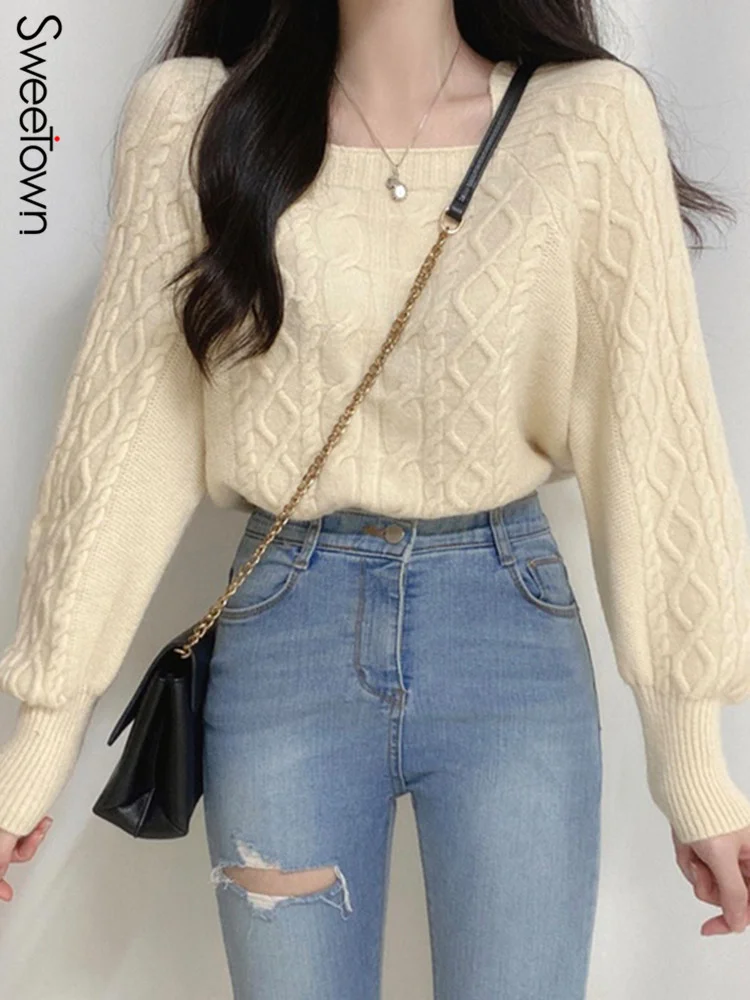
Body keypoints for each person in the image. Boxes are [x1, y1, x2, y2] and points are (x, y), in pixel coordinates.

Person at [1, 0, 750, 996]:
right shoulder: (192, 119)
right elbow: (126, 439)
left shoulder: (586, 120)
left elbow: (653, 438)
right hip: (284, 633)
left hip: (508, 636)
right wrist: (36, 747)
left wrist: (694, 766)